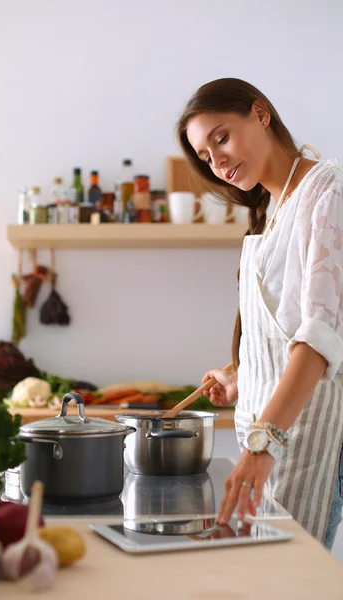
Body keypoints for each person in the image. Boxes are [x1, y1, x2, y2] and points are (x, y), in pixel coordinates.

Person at [176, 78, 343, 550]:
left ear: (261, 113)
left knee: (288, 581)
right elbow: (283, 325)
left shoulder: (326, 192)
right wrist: (240, 374)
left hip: (307, 438)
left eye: (221, 138)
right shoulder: (272, 206)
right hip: (273, 434)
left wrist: (262, 445)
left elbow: (320, 336)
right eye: (206, 157)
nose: (218, 161)